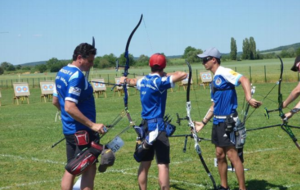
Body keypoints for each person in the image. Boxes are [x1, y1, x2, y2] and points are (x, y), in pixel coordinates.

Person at [194, 47, 262, 190]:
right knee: (219, 154)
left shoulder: (224, 72)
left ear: (214, 60)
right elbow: (214, 105)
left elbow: (243, 79)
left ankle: (242, 188)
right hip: (217, 121)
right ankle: (224, 187)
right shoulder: (214, 80)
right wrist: (203, 123)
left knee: (232, 155)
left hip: (227, 120)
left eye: (205, 59)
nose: (203, 62)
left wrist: (248, 98)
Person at [120, 53, 187, 190]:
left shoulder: (143, 81)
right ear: (163, 66)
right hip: (158, 126)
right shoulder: (160, 82)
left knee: (145, 163)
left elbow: (132, 82)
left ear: (150, 65)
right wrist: (166, 74)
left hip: (144, 126)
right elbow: (183, 74)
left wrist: (125, 80)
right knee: (162, 164)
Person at [53, 42, 107, 190]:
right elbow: (70, 106)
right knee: (88, 168)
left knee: (72, 167)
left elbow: (55, 101)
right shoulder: (77, 76)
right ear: (79, 58)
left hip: (71, 129)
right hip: (82, 131)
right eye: (89, 61)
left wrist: (67, 117)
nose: (91, 64)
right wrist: (92, 125)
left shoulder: (62, 71)